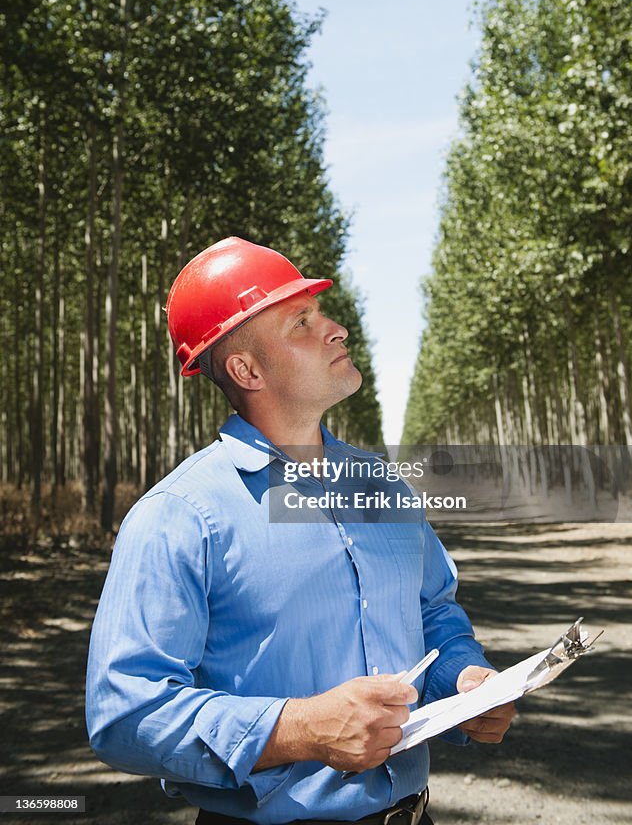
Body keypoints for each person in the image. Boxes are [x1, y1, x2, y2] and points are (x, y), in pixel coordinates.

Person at [86, 237, 515, 825]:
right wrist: (300, 729)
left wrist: (462, 681)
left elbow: (433, 613)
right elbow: (123, 714)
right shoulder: (179, 516)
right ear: (246, 368)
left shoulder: (381, 484)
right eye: (302, 321)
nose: (336, 328)